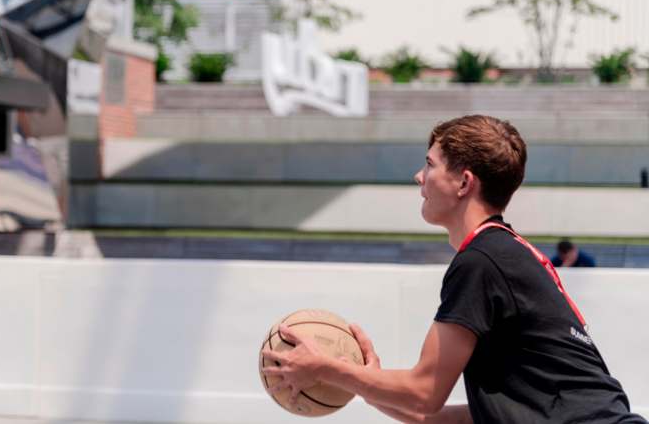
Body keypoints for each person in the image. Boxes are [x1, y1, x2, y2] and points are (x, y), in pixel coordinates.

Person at [262, 115, 645, 423]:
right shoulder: (504, 253)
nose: (419, 176)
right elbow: (444, 413)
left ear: (463, 182)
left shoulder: (482, 260)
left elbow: (424, 393)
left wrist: (324, 368)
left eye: (429, 164)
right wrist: (370, 381)